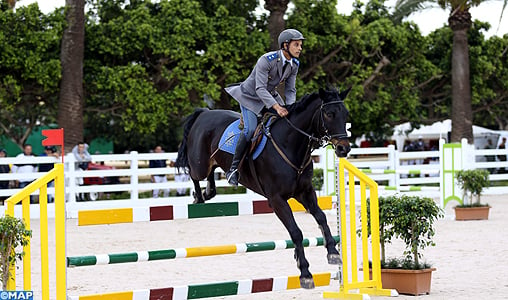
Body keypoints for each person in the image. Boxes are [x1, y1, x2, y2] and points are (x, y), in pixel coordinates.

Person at [224, 28, 305, 186]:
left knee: (287, 122)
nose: (300, 48)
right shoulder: (266, 60)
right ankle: (233, 170)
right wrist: (277, 107)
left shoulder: (294, 64)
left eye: (301, 45)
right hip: (250, 97)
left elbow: (290, 89)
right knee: (249, 130)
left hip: (269, 95)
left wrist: (291, 108)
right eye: (297, 45)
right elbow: (259, 88)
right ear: (285, 45)